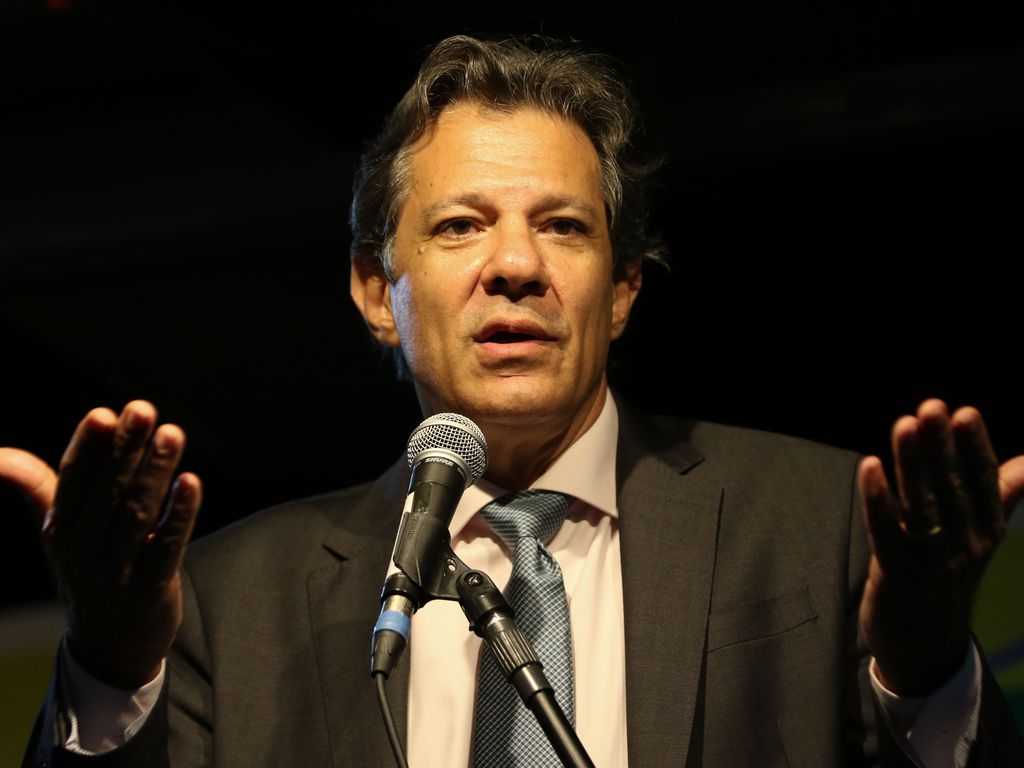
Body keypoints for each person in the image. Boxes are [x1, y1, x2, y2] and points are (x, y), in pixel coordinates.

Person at [4, 34, 1023, 767]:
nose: (516, 266)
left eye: (564, 227)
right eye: (459, 226)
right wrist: (110, 664)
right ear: (378, 292)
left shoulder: (822, 524)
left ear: (621, 290)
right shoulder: (229, 605)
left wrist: (926, 670)